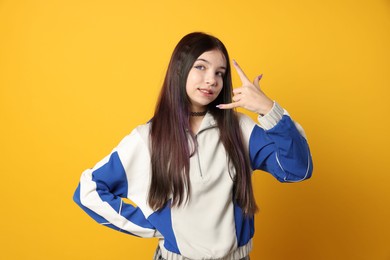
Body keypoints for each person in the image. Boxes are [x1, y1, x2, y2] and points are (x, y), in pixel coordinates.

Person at [73, 32, 313, 260]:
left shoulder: (240, 129)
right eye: (201, 67)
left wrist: (269, 109)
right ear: (180, 69)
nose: (212, 79)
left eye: (220, 73)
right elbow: (88, 191)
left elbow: (297, 170)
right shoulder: (149, 138)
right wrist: (153, 226)